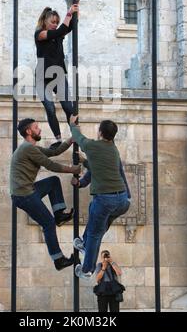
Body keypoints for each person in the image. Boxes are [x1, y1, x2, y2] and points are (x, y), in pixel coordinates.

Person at [10, 118, 81, 271]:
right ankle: (59, 260)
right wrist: (73, 170)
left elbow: (53, 152)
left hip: (29, 191)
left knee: (53, 182)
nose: (39, 129)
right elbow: (51, 165)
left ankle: (60, 214)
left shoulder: (31, 148)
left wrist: (71, 139)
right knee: (48, 224)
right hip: (24, 196)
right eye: (36, 127)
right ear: (29, 132)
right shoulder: (27, 149)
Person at [69, 115, 130, 279]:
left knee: (96, 233)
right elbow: (99, 168)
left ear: (100, 132)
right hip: (122, 201)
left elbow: (78, 138)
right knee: (96, 221)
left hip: (105, 200)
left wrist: (72, 124)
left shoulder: (94, 146)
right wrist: (85, 162)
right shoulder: (113, 149)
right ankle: (84, 243)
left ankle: (87, 269)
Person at [34, 0, 80, 148]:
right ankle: (59, 139)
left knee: (69, 107)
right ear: (45, 22)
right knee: (50, 108)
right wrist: (69, 12)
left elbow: (72, 26)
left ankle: (76, 135)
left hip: (58, 75)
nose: (54, 24)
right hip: (42, 77)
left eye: (57, 22)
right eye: (52, 22)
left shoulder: (58, 35)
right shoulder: (39, 34)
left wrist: (75, 1)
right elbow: (60, 30)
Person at [71, 152, 131, 231]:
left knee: (94, 226)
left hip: (117, 200)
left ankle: (85, 242)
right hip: (112, 202)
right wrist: (78, 183)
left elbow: (101, 171)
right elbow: (87, 178)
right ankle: (85, 242)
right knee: (98, 230)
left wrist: (84, 161)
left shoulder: (112, 157)